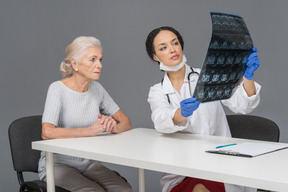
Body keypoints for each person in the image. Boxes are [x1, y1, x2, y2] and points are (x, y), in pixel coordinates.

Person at [145, 26, 261, 192]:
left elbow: (242, 104)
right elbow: (161, 120)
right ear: (155, 56)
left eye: (175, 43)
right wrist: (181, 113)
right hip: (181, 171)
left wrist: (247, 77)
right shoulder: (158, 91)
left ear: (181, 45)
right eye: (163, 48)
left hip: (216, 166)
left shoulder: (207, 77)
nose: (172, 49)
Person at [38, 36, 133, 192]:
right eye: (93, 60)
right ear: (74, 63)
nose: (99, 65)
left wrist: (114, 127)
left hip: (88, 163)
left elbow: (126, 122)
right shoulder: (57, 89)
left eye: (101, 60)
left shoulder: (97, 89)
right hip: (57, 164)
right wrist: (89, 131)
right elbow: (47, 132)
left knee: (124, 189)